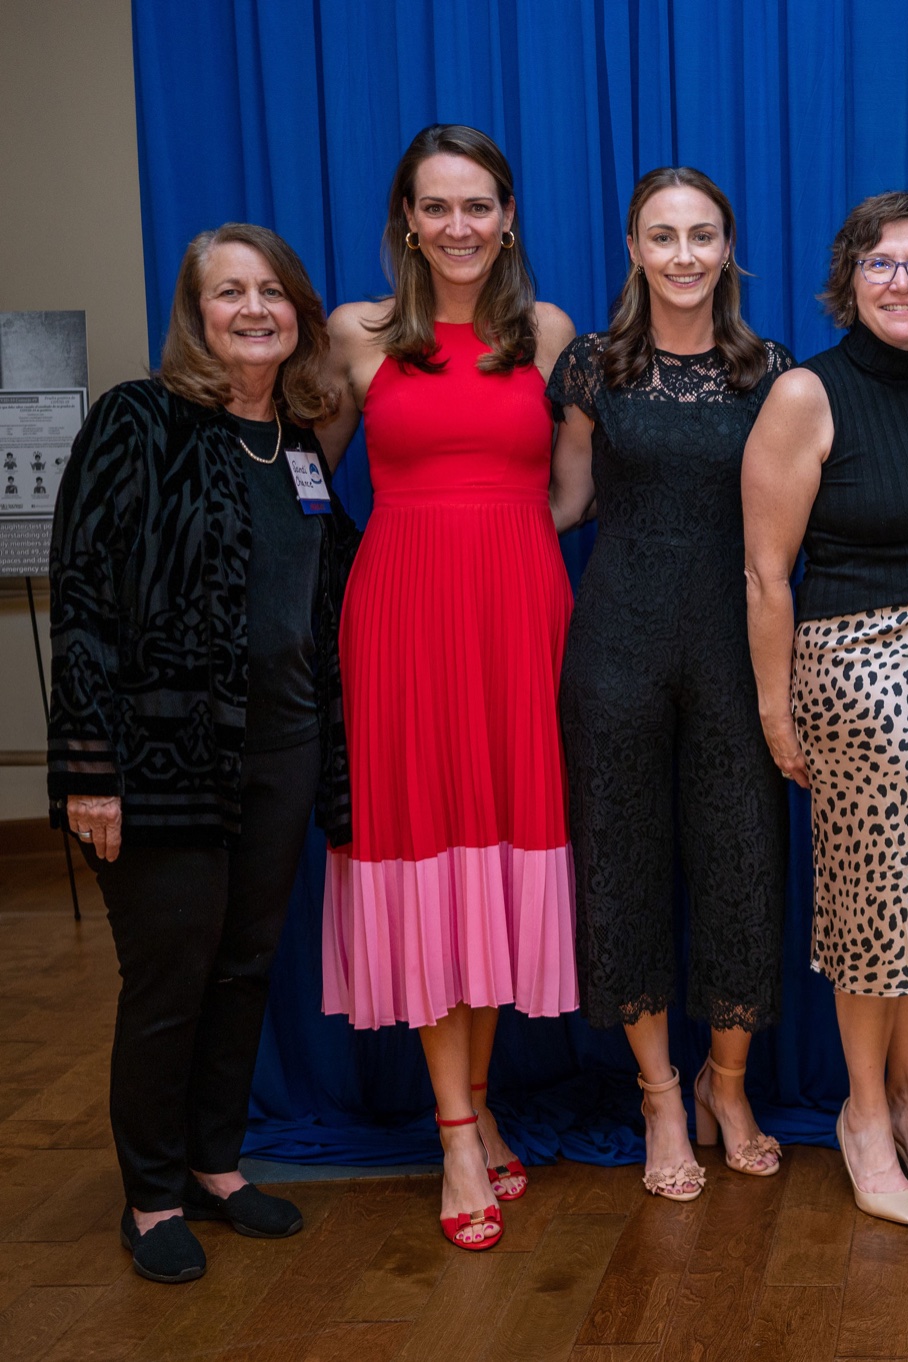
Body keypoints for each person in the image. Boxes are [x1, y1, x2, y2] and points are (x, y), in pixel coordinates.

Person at [49, 223, 355, 1283]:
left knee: (244, 965)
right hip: (160, 756)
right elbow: (82, 599)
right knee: (169, 978)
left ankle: (218, 1167)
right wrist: (89, 766)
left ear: (301, 312)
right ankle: (150, 1196)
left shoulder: (304, 445)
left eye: (273, 291)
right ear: (196, 312)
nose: (255, 310)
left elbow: (321, 600)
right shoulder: (141, 422)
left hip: (280, 745)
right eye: (230, 293)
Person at [318, 124, 579, 1252]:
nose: (459, 227)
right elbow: (310, 469)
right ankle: (459, 1133)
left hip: (520, 615)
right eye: (437, 207)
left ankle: (474, 1106)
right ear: (407, 222)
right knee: (427, 856)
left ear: (508, 215)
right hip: (402, 624)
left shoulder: (550, 332)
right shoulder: (357, 332)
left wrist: (503, 545)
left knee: (489, 859)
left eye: (478, 205)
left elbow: (571, 496)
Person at [743, 191, 908, 1224]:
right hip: (854, 665)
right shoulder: (805, 394)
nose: (902, 280)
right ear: (847, 277)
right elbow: (766, 575)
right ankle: (861, 1114)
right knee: (874, 909)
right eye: (880, 262)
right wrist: (776, 714)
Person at [549, 167, 792, 1202]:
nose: (684, 254)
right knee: (624, 869)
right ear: (635, 249)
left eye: (702, 235)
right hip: (615, 651)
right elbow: (561, 504)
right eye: (663, 235)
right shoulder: (591, 369)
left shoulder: (770, 372)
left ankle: (723, 1086)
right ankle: (657, 1097)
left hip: (736, 652)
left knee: (744, 866)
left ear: (728, 249)